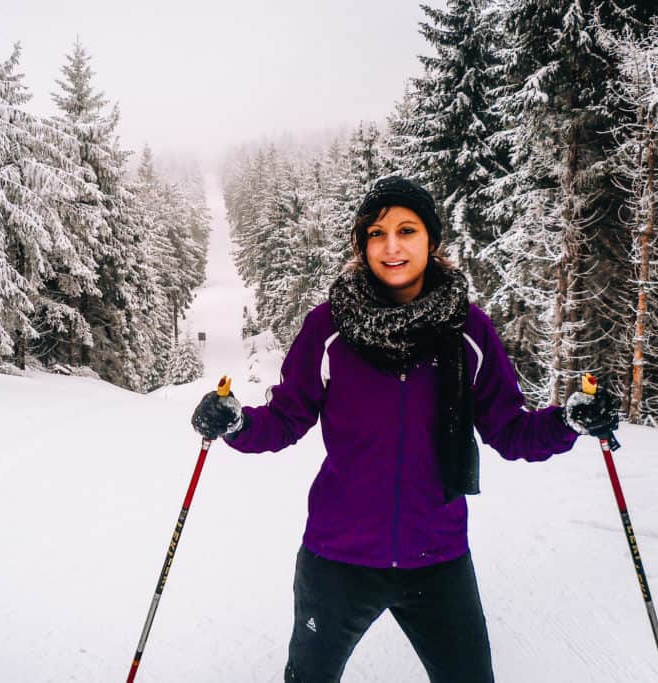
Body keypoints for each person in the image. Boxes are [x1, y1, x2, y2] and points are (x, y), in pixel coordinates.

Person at [190, 176, 620, 683]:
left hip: (436, 558)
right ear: (361, 244)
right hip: (337, 557)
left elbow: (510, 430)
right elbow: (285, 419)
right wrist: (236, 422)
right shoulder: (328, 328)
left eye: (407, 230)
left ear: (431, 241)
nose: (391, 246)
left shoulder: (469, 331)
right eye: (376, 233)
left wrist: (569, 421)